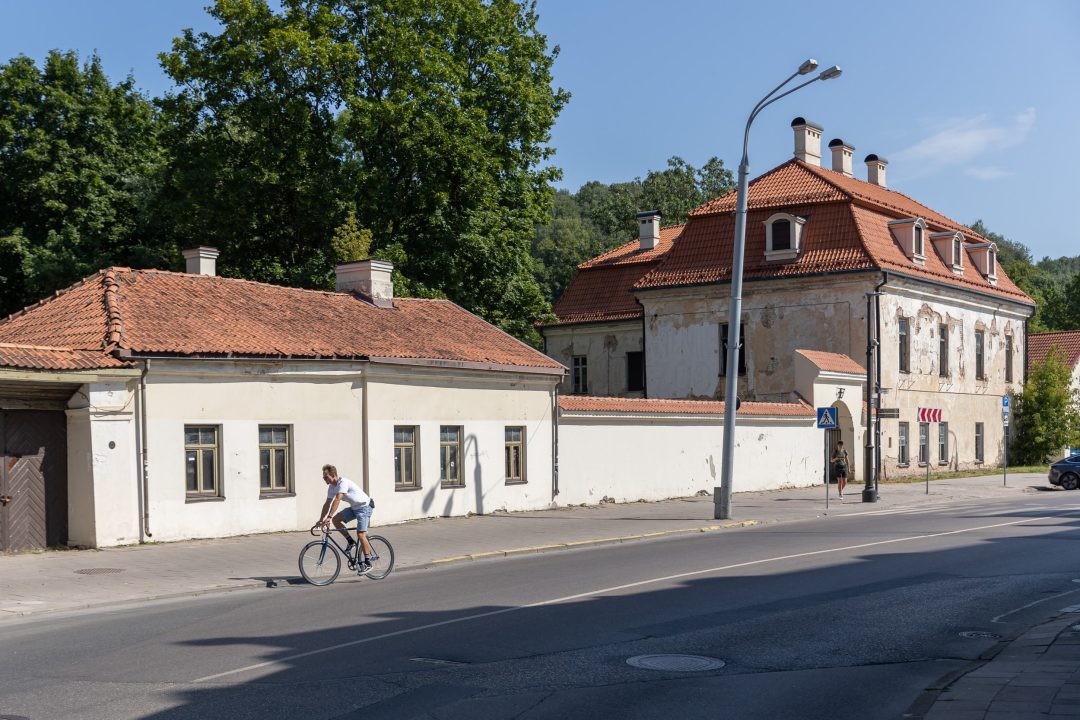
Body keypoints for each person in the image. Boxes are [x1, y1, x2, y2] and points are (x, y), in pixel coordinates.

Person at [317, 464, 376, 571]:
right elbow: (327, 503)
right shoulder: (331, 487)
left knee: (360, 534)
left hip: (365, 507)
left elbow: (337, 500)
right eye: (323, 477)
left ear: (333, 475)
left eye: (326, 477)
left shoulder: (343, 483)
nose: (324, 479)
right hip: (354, 508)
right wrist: (321, 519)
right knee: (336, 520)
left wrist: (328, 517)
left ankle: (368, 562)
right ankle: (351, 542)